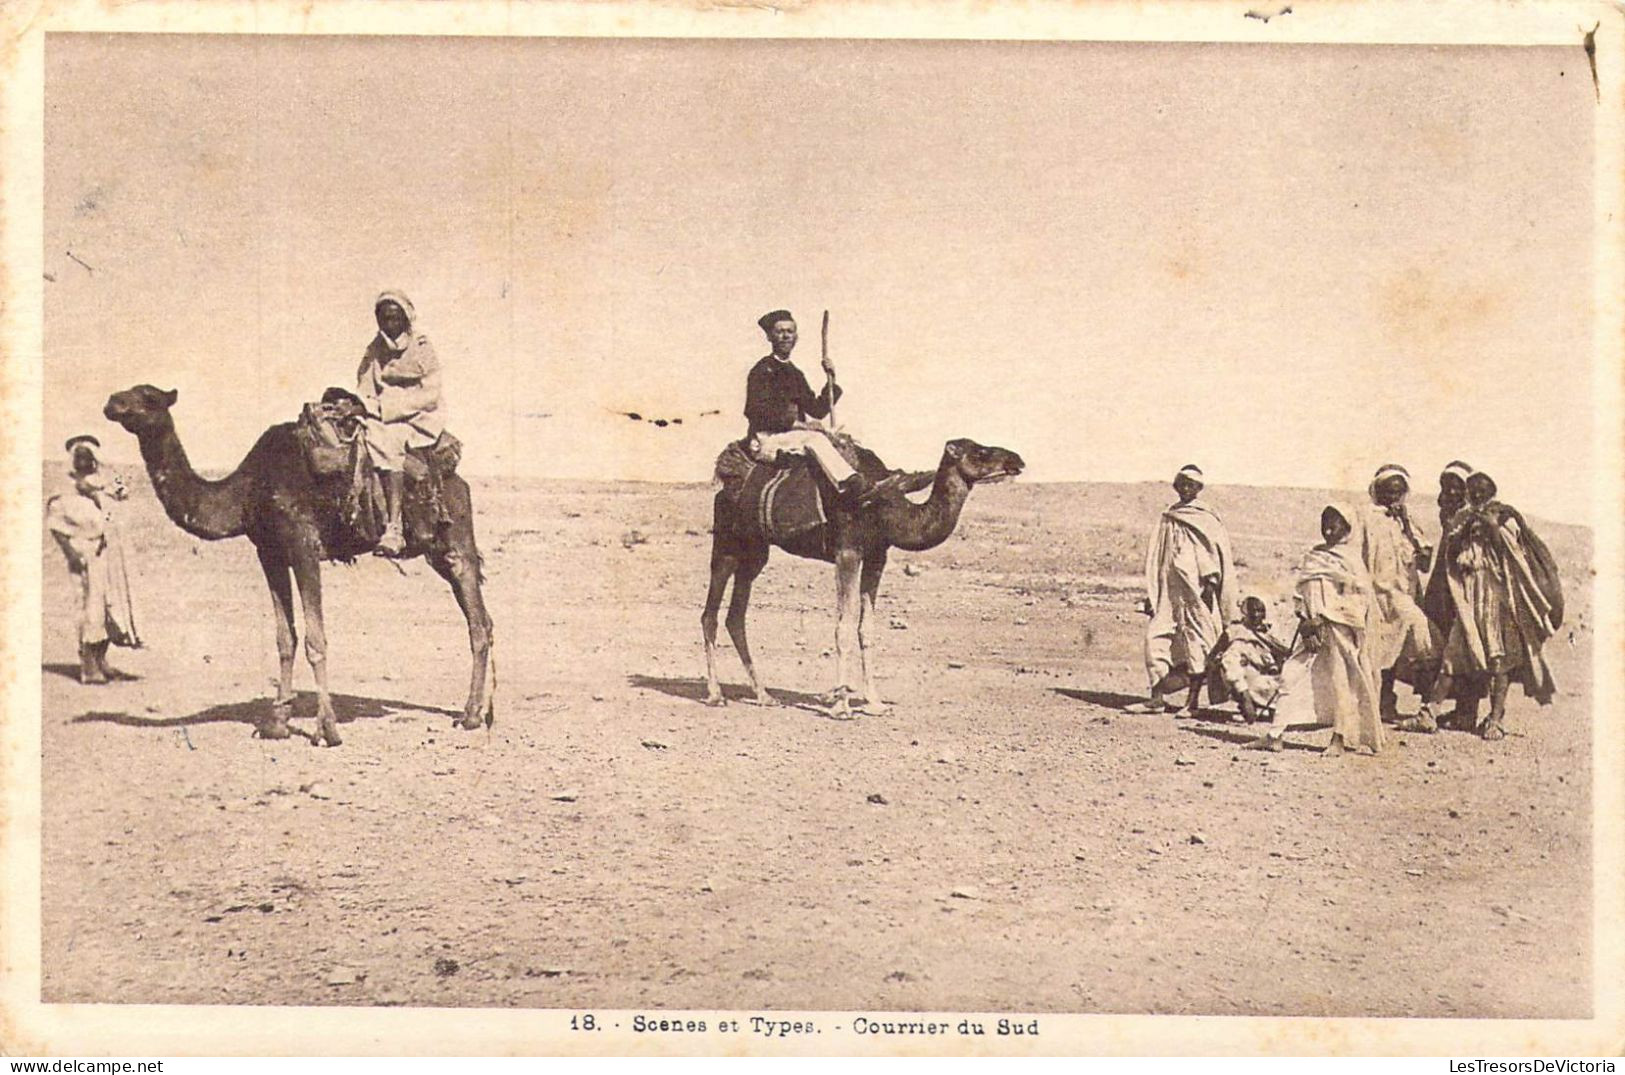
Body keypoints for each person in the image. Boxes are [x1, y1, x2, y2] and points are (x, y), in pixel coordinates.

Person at [1404, 471, 1562, 740]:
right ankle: (1429, 713)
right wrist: (1462, 530)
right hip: (1470, 599)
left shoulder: (1506, 517)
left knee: (1498, 659)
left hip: (1498, 601)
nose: (1476, 493)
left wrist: (1492, 527)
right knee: (1453, 654)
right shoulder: (1463, 518)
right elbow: (1452, 555)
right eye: (1472, 489)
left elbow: (1513, 557)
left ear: (1492, 491)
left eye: (1481, 489)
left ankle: (1496, 718)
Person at [1249, 504, 1384, 756]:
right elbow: (1301, 593)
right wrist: (1306, 620)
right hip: (1310, 630)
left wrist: (1325, 618)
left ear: (1347, 527)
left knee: (1341, 683)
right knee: (1290, 675)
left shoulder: (1351, 560)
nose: (1329, 528)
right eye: (1325, 522)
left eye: (1335, 523)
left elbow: (1357, 600)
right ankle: (1274, 735)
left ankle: (1339, 740)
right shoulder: (1314, 556)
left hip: (1339, 630)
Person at [1128, 464, 1236, 714]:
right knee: (1155, 638)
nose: (1186, 489)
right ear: (1176, 486)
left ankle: (1192, 703)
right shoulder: (1169, 516)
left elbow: (1210, 552)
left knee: (1197, 643)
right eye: (1182, 484)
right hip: (1169, 590)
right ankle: (1156, 698)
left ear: (1198, 489)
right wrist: (1154, 590)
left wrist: (1210, 585)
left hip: (1196, 591)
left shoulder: (1206, 518)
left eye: (1191, 485)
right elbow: (1159, 555)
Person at [743, 310, 878, 505]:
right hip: (766, 439)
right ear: (769, 337)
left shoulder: (795, 373)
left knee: (843, 442)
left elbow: (817, 410)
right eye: (780, 331)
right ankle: (850, 484)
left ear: (796, 337)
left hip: (791, 438)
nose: (785, 336)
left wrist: (831, 379)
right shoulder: (761, 371)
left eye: (790, 331)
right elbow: (756, 412)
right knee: (816, 439)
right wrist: (803, 426)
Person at [44, 435, 141, 683]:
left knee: (109, 606)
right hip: (83, 554)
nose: (85, 461)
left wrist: (104, 477)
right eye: (81, 457)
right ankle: (88, 667)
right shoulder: (63, 489)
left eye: (90, 457)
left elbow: (122, 491)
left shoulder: (102, 484)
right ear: (73, 460)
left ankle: (102, 660)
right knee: (90, 608)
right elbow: (56, 526)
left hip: (106, 551)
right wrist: (71, 555)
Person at [356, 290, 444, 555]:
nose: (389, 324)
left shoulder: (422, 348)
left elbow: (431, 393)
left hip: (418, 416)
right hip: (381, 413)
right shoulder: (374, 350)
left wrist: (392, 408)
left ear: (405, 318)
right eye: (384, 319)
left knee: (391, 443)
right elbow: (365, 387)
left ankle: (394, 528)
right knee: (359, 437)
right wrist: (369, 407)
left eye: (395, 318)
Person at [1360, 464, 1435, 720]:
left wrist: (1406, 525)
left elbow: (1424, 563)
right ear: (1377, 492)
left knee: (1420, 638)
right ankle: (1383, 704)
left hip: (1404, 596)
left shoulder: (1409, 521)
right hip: (1375, 595)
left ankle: (1427, 707)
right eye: (1387, 492)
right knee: (1380, 650)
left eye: (1398, 492)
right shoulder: (1366, 518)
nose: (1393, 498)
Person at [1211, 596, 1294, 723]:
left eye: (1260, 611)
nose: (1256, 615)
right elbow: (1215, 656)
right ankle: (1245, 700)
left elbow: (1285, 654)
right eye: (1252, 611)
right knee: (1233, 654)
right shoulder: (1234, 631)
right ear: (1245, 612)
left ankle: (1267, 707)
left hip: (1264, 678)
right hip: (1240, 677)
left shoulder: (1269, 633)